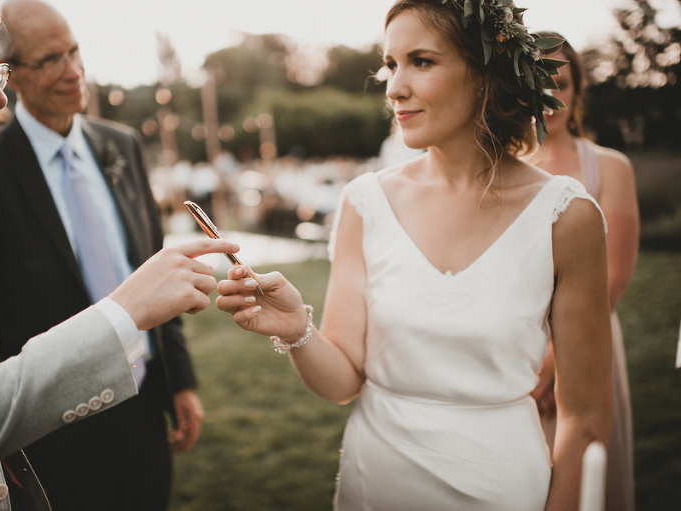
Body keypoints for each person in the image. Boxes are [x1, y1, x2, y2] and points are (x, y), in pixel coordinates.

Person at [216, 1, 614, 510]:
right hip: (375, 481)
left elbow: (585, 416)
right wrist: (296, 329)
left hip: (503, 487)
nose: (394, 87)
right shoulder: (365, 203)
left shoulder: (566, 216)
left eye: (421, 61)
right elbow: (343, 382)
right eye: (390, 64)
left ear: (485, 74)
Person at [0, 1, 238, 509]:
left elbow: (147, 261)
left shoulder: (122, 146)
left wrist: (181, 383)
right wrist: (124, 311)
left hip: (144, 404)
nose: (72, 71)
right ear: (19, 75)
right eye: (49, 60)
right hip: (52, 431)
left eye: (74, 52)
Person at [526, 33, 640, 511]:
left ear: (577, 91)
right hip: (519, 344)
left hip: (586, 342)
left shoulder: (610, 167)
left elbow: (612, 279)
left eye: (563, 83)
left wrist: (550, 368)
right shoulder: (500, 166)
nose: (551, 96)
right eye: (538, 82)